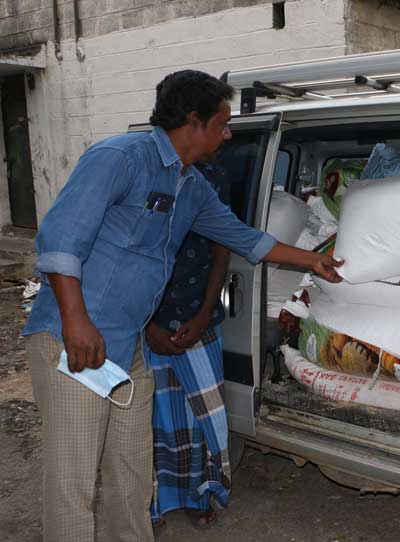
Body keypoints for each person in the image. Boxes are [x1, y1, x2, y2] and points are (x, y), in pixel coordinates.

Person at [22, 69, 342, 542]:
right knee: (74, 483)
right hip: (76, 345)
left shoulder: (191, 187)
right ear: (194, 122)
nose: (228, 134)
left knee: (131, 476)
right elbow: (59, 241)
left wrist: (315, 260)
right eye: (223, 123)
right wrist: (75, 321)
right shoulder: (119, 158)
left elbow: (243, 238)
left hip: (127, 349)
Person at [148, 160, 232, 529]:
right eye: (219, 123)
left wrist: (202, 316)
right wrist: (149, 325)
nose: (226, 134)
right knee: (153, 420)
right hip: (145, 321)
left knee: (202, 419)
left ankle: (199, 493)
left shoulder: (213, 175)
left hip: (200, 320)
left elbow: (222, 248)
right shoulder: (139, 170)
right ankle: (150, 501)